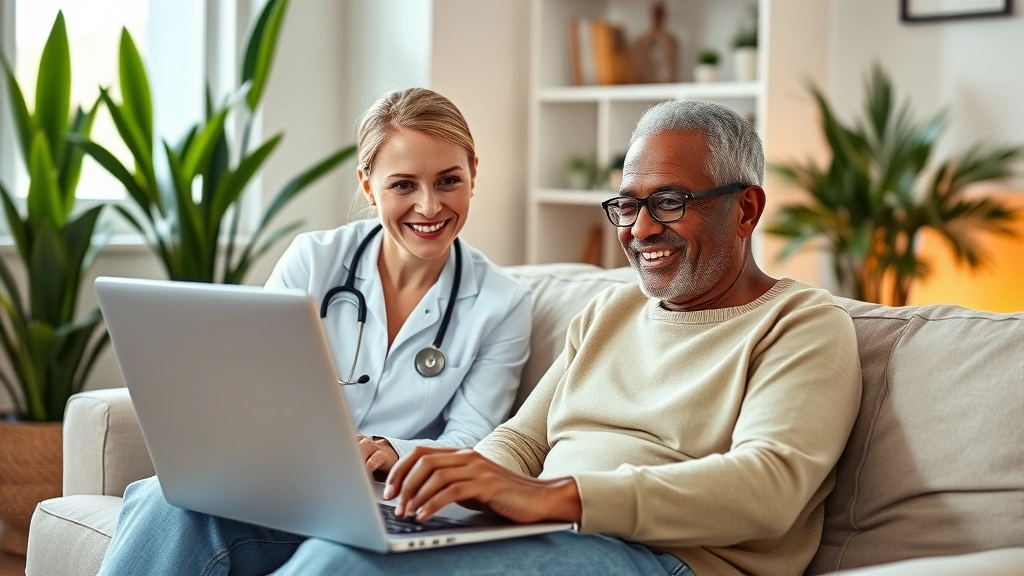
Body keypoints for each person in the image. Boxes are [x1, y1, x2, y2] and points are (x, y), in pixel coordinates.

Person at [269, 100, 864, 576]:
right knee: (189, 512)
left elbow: (769, 487)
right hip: (551, 531)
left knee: (353, 562)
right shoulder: (612, 309)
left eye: (669, 202)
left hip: (666, 557)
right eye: (628, 206)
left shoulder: (802, 324)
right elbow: (522, 442)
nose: (641, 228)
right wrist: (457, 490)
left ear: (745, 209)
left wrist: (559, 498)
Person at [97, 88, 533, 574]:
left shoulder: (502, 303)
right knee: (166, 499)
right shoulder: (313, 261)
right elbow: (248, 382)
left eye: (448, 180)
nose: (429, 206)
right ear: (368, 186)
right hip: (292, 487)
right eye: (403, 185)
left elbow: (475, 439)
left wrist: (394, 451)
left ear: (473, 173)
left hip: (389, 501)